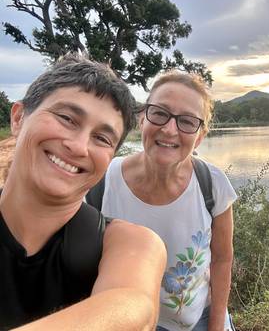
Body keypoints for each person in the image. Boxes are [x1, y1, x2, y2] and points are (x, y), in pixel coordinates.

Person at [0, 54, 167, 330]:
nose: (79, 147)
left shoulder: (130, 243)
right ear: (18, 118)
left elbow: (133, 305)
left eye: (101, 138)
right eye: (67, 118)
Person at [91, 71, 237, 331]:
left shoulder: (212, 184)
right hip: (131, 323)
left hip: (199, 321)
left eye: (187, 121)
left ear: (200, 136)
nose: (170, 130)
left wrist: (216, 325)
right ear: (141, 119)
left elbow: (222, 259)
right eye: (159, 113)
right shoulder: (104, 179)